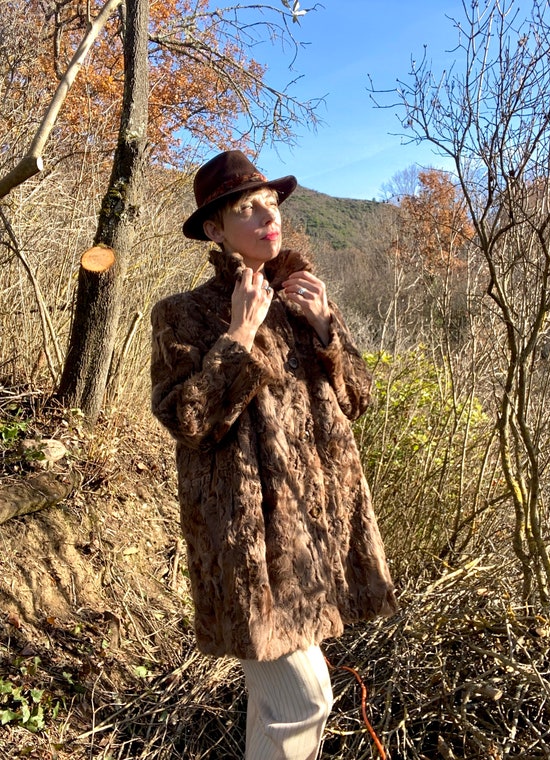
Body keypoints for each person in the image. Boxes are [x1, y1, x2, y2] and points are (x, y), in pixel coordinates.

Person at [150, 150, 397, 760]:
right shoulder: (182, 313)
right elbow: (187, 420)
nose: (269, 218)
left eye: (271, 204)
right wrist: (238, 335)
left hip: (318, 534)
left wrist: (326, 330)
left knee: (275, 711)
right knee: (304, 702)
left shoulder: (304, 298)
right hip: (249, 546)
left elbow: (359, 399)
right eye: (247, 209)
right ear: (214, 230)